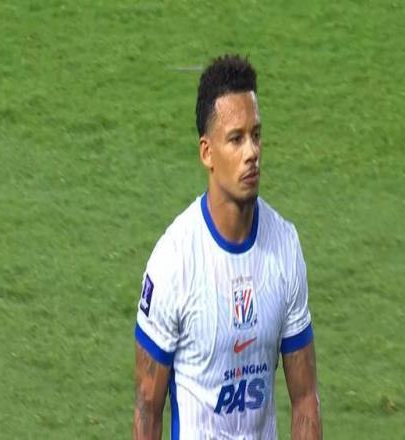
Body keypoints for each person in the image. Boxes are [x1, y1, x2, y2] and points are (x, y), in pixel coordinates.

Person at [133, 54, 321, 440]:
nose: (252, 152)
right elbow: (148, 407)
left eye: (256, 135)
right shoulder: (174, 261)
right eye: (236, 139)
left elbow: (305, 399)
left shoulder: (284, 246)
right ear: (207, 152)